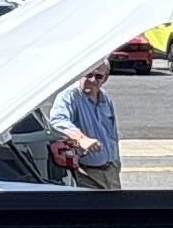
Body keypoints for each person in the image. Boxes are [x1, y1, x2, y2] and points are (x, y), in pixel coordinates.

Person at [46, 57, 123, 190]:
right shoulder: (70, 96)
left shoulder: (105, 99)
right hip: (85, 173)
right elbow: (58, 121)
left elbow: (111, 134)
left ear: (104, 79)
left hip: (110, 171)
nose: (93, 80)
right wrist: (81, 139)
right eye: (89, 75)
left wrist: (115, 163)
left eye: (98, 76)